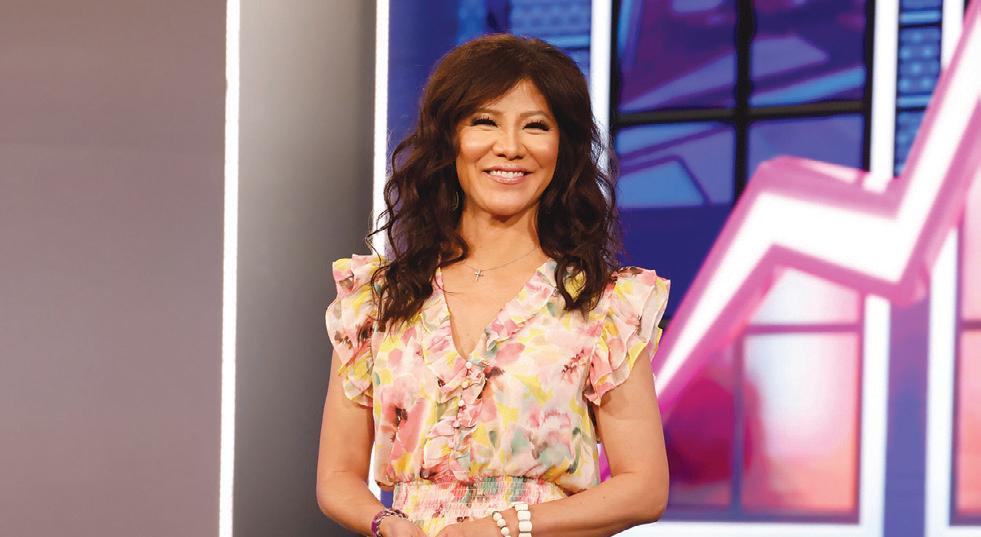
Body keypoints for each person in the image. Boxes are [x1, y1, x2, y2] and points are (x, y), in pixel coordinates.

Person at [316, 33, 671, 537]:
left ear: (563, 147)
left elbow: (644, 487)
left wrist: (507, 526)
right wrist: (386, 522)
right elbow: (336, 477)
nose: (510, 147)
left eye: (536, 126)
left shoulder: (602, 303)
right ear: (449, 139)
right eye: (484, 121)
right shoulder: (378, 299)